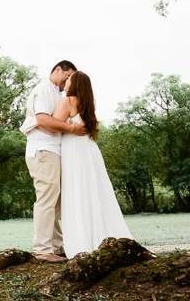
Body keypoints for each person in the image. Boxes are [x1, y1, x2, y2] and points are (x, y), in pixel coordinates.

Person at [52, 71, 132, 257]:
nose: (66, 81)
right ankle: (99, 231)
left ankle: (81, 239)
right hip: (89, 150)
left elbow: (53, 123)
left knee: (76, 192)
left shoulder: (69, 100)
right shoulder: (87, 103)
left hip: (73, 151)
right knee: (93, 191)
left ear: (75, 84)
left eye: (69, 79)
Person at [19, 60, 87, 262]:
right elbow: (43, 120)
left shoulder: (59, 93)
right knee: (47, 199)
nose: (69, 81)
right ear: (58, 70)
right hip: (42, 150)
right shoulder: (42, 90)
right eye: (67, 77)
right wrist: (73, 128)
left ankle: (57, 246)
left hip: (54, 151)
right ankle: (42, 249)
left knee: (56, 201)